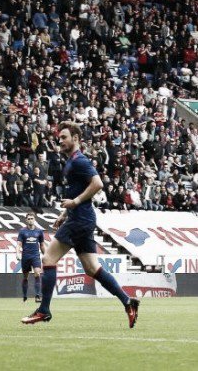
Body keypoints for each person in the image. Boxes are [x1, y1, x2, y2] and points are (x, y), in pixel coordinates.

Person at [22, 122, 140, 327]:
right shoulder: (71, 161)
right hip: (81, 218)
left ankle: (44, 310)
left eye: (64, 137)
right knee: (92, 268)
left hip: (80, 219)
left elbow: (98, 184)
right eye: (59, 138)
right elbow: (77, 191)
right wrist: (64, 213)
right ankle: (128, 301)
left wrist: (74, 204)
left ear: (75, 138)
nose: (60, 141)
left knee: (48, 258)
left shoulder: (80, 161)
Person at [16, 212, 45, 303]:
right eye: (29, 219)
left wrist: (47, 255)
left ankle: (37, 296)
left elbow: (42, 245)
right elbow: (19, 244)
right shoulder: (22, 231)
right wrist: (17, 253)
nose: (30, 220)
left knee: (37, 273)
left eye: (32, 218)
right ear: (26, 220)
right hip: (25, 256)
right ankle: (25, 295)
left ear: (34, 219)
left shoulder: (39, 231)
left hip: (35, 256)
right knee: (25, 277)